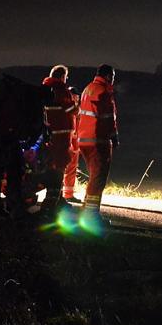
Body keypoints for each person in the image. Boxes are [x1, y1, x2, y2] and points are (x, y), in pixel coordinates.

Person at [77, 64, 118, 216]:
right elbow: (108, 119)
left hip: (84, 139)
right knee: (99, 177)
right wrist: (114, 136)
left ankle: (86, 207)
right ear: (108, 76)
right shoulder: (104, 92)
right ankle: (91, 214)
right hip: (98, 140)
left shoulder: (87, 89)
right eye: (113, 77)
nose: (113, 80)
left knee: (94, 176)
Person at [40, 64, 78, 211]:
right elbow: (71, 109)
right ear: (62, 77)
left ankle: (56, 196)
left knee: (50, 164)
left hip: (48, 134)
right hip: (62, 135)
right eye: (66, 77)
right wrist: (76, 104)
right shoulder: (62, 90)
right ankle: (54, 200)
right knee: (60, 165)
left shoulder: (44, 89)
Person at [61, 85, 82, 203]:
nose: (77, 98)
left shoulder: (78, 109)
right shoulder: (67, 108)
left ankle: (68, 194)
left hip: (75, 143)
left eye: (78, 97)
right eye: (75, 96)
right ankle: (61, 194)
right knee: (63, 168)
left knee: (72, 169)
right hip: (67, 142)